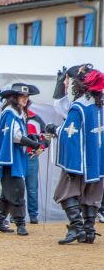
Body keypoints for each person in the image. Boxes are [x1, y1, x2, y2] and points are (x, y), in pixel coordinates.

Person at [46, 65, 104, 245]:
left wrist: (53, 129)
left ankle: (77, 227)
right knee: (92, 195)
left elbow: (69, 132)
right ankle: (89, 230)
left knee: (65, 192)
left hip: (80, 160)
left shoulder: (79, 105)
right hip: (98, 161)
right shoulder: (99, 105)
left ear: (79, 85)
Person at [0, 83, 42, 236]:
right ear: (14, 97)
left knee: (8, 192)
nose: (25, 99)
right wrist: (32, 143)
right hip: (9, 159)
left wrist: (31, 137)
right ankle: (20, 223)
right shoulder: (10, 113)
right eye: (22, 96)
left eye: (27, 97)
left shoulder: (18, 113)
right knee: (17, 189)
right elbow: (15, 136)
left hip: (15, 157)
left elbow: (19, 133)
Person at [25, 109, 49, 224]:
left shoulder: (36, 119)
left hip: (31, 157)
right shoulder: (12, 116)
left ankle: (33, 215)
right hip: (17, 157)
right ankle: (15, 215)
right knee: (15, 187)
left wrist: (41, 148)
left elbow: (46, 137)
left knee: (32, 188)